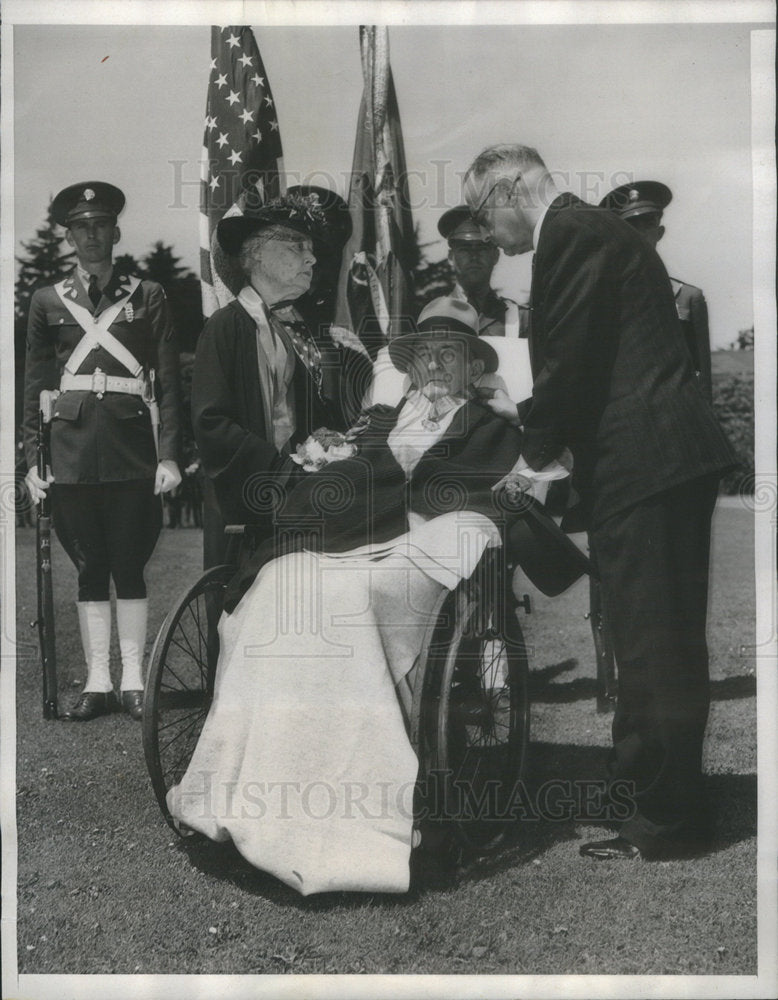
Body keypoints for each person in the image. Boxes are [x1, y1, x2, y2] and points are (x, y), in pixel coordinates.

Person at [168, 297, 531, 895]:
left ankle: (362, 818)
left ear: (472, 368)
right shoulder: (380, 422)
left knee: (347, 600)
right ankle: (255, 797)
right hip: (359, 542)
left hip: (429, 550)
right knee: (282, 586)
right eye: (425, 355)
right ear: (410, 367)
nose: (436, 366)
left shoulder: (494, 427)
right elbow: (337, 487)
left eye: (451, 355)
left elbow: (512, 495)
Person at [464, 144, 736, 861]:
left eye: (486, 215)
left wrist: (528, 462)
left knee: (646, 644)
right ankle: (671, 809)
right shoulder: (594, 232)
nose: (490, 236)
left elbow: (570, 367)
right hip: (665, 459)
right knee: (664, 642)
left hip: (643, 463)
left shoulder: (572, 234)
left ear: (510, 188)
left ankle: (662, 824)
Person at [23, 181, 181, 721]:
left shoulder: (149, 295)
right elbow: (35, 383)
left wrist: (169, 455)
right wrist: (31, 461)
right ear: (69, 237)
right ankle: (97, 681)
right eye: (80, 228)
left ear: (115, 232)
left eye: (100, 226)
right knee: (89, 566)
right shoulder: (47, 300)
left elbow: (169, 382)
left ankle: (133, 680)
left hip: (132, 449)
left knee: (130, 563)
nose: (91, 236)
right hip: (68, 452)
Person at [192, 192, 347, 570]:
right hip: (245, 506)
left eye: (311, 249)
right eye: (297, 246)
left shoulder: (296, 332)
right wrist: (279, 470)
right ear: (256, 254)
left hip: (299, 505)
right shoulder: (226, 327)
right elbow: (211, 425)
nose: (311, 259)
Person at [599, 180, 712, 400]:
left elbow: (703, 374)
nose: (639, 233)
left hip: (680, 408)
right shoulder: (604, 296)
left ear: (659, 232)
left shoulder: (688, 297)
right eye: (631, 226)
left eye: (647, 223)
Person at [438, 205, 529, 337]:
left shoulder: (519, 318)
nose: (474, 256)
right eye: (465, 249)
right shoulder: (433, 316)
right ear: (451, 257)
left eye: (482, 248)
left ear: (496, 256)